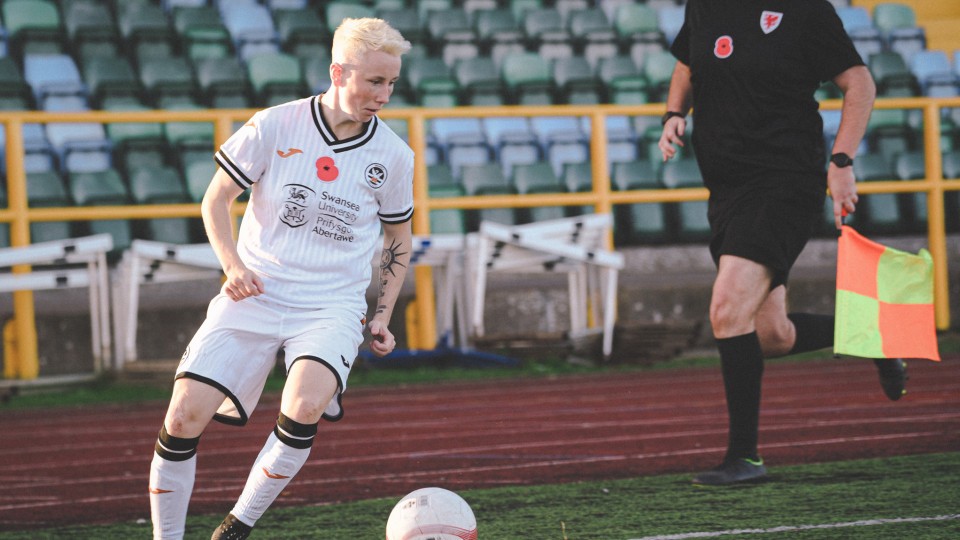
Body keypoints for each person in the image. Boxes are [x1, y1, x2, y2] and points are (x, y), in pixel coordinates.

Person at [148, 18, 414, 539]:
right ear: (338, 72)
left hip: (330, 305)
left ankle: (235, 528)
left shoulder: (394, 155)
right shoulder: (273, 124)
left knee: (305, 405)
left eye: (391, 83)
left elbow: (398, 240)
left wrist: (382, 314)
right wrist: (233, 265)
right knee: (181, 419)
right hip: (256, 293)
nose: (384, 95)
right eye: (374, 82)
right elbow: (216, 199)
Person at [658, 0, 906, 486]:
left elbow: (860, 83)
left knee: (727, 308)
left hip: (783, 180)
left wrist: (842, 162)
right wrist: (673, 113)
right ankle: (878, 337)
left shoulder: (805, 9)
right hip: (727, 190)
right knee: (772, 336)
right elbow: (687, 64)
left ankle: (744, 458)